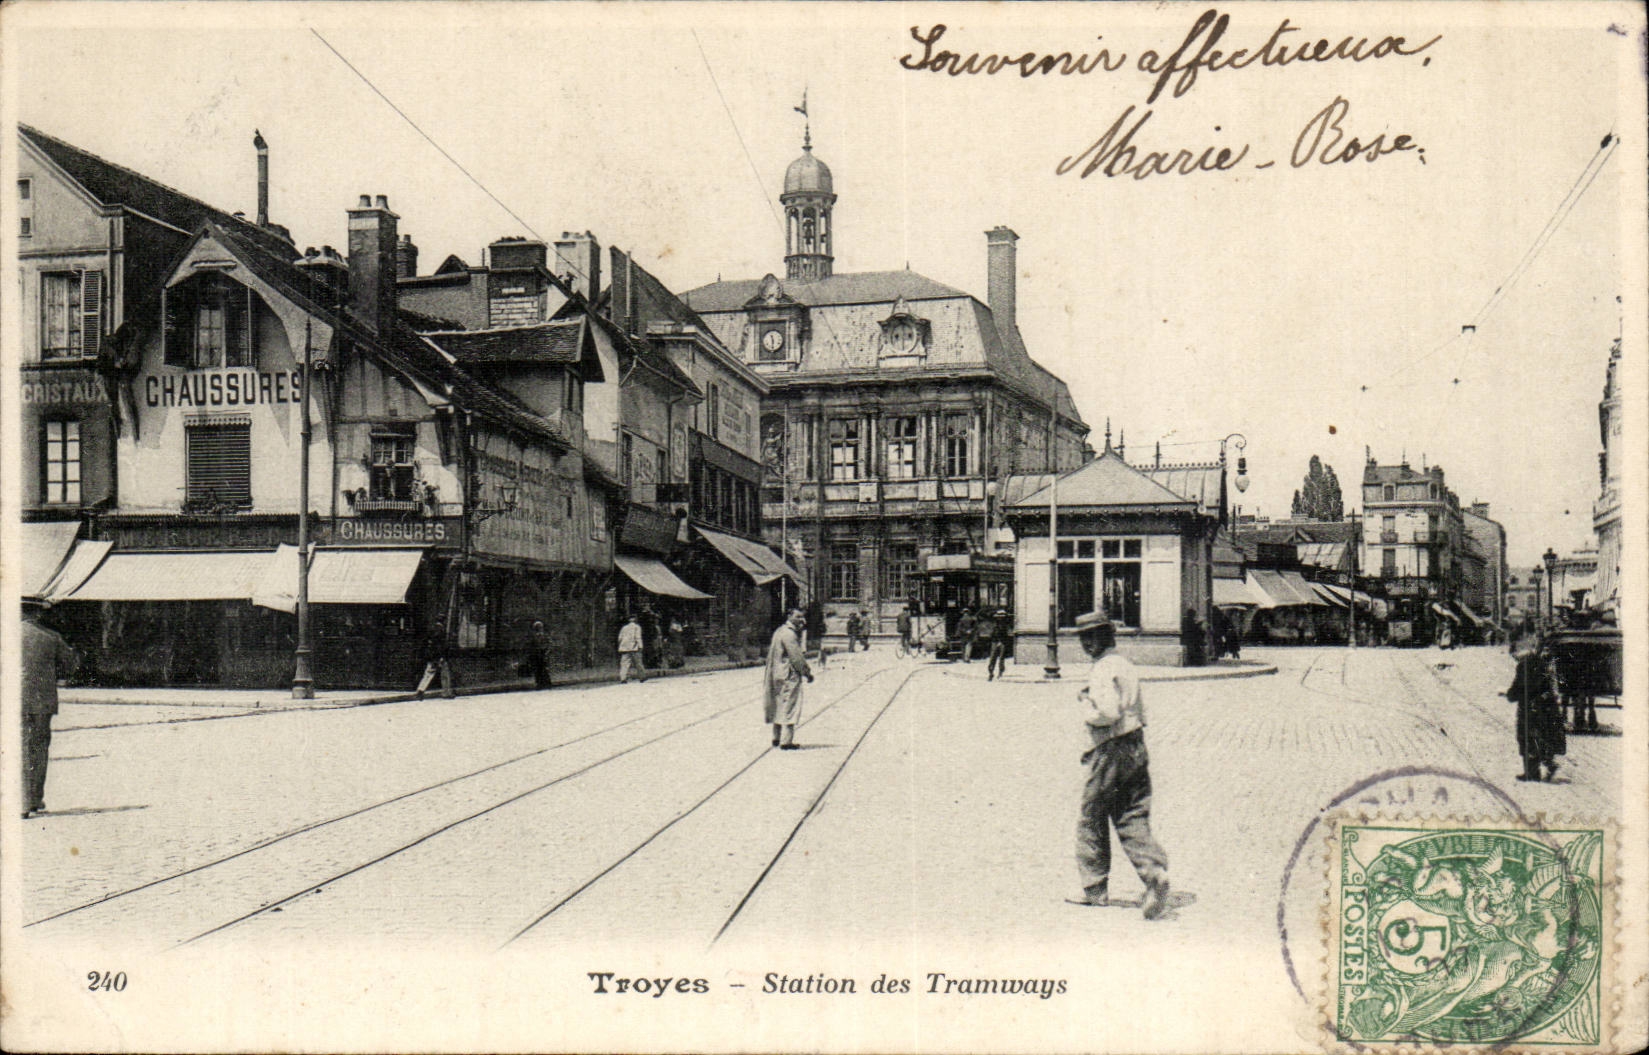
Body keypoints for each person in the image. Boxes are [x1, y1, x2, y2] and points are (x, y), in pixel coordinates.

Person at [1070, 611, 1170, 919]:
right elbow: (1136, 706)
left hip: (1109, 749)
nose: (1088, 643)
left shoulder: (1102, 669)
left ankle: (1094, 889)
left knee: (1092, 817)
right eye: (1084, 637)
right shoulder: (1124, 664)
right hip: (1135, 744)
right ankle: (1155, 876)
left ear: (1106, 636)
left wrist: (1087, 704)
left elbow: (1108, 712)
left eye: (1093, 636)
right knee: (1132, 815)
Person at [22, 596, 77, 818]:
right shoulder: (50, 637)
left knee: (18, 746)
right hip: (42, 701)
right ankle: (33, 799)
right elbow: (71, 665)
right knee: (38, 747)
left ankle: (21, 801)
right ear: (37, 613)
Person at [1506, 629, 1565, 782]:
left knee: (1526, 737)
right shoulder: (1539, 662)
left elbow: (1520, 687)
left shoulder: (1523, 666)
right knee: (1542, 736)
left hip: (1530, 706)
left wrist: (1510, 695)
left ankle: (1532, 773)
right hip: (1546, 705)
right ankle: (1549, 764)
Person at [764, 609, 813, 749]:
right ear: (789, 616)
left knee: (778, 704)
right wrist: (807, 673)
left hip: (776, 674)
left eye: (802, 616)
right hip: (788, 675)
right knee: (791, 705)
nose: (800, 619)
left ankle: (776, 737)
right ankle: (787, 741)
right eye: (797, 616)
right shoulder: (790, 634)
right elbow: (797, 658)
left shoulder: (779, 631)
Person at [415, 618, 456, 699]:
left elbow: (426, 644)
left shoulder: (431, 630)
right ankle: (446, 693)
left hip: (432, 656)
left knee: (428, 674)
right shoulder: (440, 631)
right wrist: (441, 656)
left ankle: (420, 690)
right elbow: (441, 646)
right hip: (439, 657)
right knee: (445, 675)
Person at [617, 614, 645, 683]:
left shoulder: (624, 628)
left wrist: (621, 645)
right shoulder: (637, 627)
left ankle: (623, 678)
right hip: (634, 647)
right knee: (638, 663)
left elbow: (620, 638)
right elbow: (638, 637)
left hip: (625, 648)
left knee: (624, 664)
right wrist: (641, 646)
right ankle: (642, 677)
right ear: (635, 619)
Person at [986, 607, 1011, 681]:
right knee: (993, 657)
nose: (1000, 617)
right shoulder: (995, 623)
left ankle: (1000, 671)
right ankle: (991, 672)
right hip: (995, 641)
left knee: (1001, 658)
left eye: (1002, 616)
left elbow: (1006, 634)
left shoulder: (1005, 624)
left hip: (1001, 642)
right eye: (999, 616)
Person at [529, 619, 553, 689]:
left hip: (543, 653)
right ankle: (539, 683)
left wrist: (547, 652)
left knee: (544, 669)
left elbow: (550, 644)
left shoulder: (545, 636)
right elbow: (531, 645)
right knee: (537, 669)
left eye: (539, 627)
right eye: (536, 628)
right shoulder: (533, 637)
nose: (538, 629)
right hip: (536, 654)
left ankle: (547, 683)